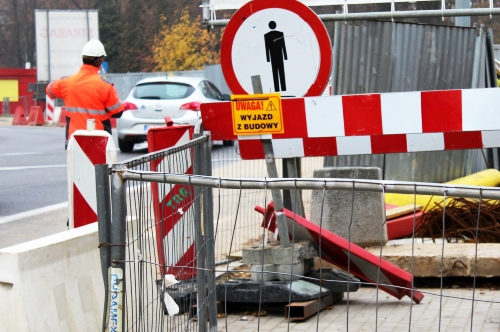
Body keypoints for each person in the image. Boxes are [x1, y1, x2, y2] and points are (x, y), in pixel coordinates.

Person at [46, 39, 124, 149]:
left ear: (83, 58)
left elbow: (49, 90)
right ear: (100, 62)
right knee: (100, 167)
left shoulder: (66, 82)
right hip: (99, 140)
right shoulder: (106, 87)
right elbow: (118, 112)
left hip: (74, 140)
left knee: (76, 166)